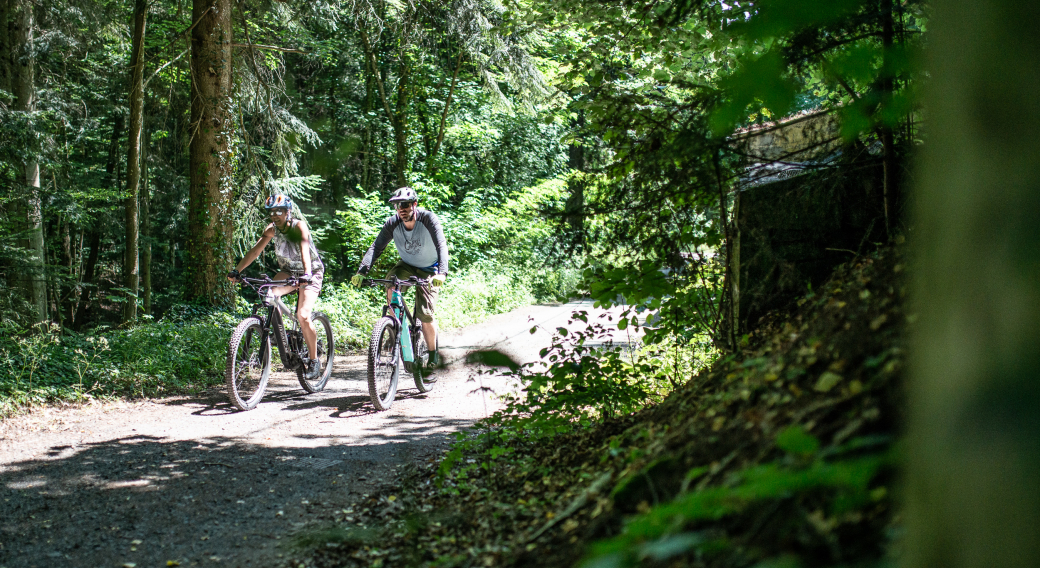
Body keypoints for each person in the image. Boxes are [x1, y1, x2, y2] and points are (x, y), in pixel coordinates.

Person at [228, 194, 325, 380]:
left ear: (288, 212)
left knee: (303, 315)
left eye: (279, 211)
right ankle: (279, 335)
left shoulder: (299, 226)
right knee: (269, 294)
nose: (275, 215)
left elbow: (305, 249)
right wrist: (237, 270)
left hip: (310, 272)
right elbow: (255, 251)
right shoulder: (272, 229)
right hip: (288, 271)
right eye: (271, 212)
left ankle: (314, 361)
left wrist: (306, 274)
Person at [351, 187, 448, 367]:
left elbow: (441, 245)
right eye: (397, 206)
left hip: (430, 269)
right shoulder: (392, 223)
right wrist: (362, 271)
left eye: (405, 204)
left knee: (425, 314)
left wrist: (442, 273)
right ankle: (395, 330)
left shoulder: (428, 219)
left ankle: (434, 356)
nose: (401, 209)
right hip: (407, 265)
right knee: (391, 284)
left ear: (414, 205)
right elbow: (376, 247)